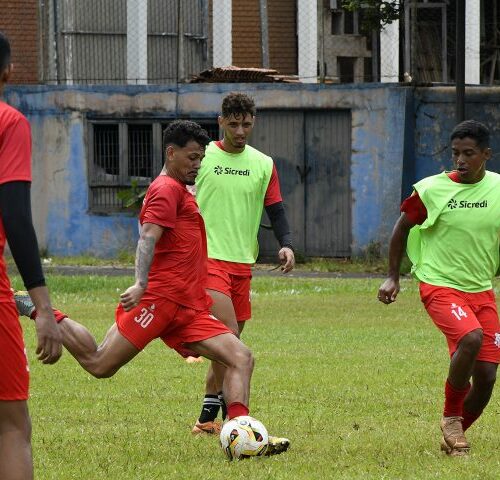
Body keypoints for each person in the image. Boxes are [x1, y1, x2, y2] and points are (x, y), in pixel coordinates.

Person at [15, 120, 289, 455]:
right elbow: (147, 238)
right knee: (100, 364)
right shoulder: (165, 189)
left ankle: (244, 435)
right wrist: (141, 283)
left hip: (188, 306)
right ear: (171, 153)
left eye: (201, 158)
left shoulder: (180, 189)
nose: (197, 165)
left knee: (240, 357)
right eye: (191, 158)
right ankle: (35, 306)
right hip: (159, 302)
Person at [378, 119, 500, 456]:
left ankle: (454, 440)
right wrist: (393, 275)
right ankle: (450, 417)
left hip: (481, 290)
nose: (460, 160)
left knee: (488, 377)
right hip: (439, 285)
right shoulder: (432, 190)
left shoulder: (498, 190)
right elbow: (401, 229)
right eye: (456, 153)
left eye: (469, 154)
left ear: (486, 155)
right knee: (470, 337)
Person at [191, 92, 295, 438]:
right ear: (220, 122)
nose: (240, 130)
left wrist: (287, 244)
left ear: (254, 123)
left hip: (241, 264)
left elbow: (275, 209)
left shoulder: (263, 163)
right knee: (230, 340)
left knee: (225, 346)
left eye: (246, 124)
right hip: (207, 261)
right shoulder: (201, 158)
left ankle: (207, 418)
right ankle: (239, 424)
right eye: (233, 124)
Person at [0, 32, 62, 480]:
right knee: (11, 426)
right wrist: (42, 308)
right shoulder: (9, 122)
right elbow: (16, 218)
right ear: (7, 71)